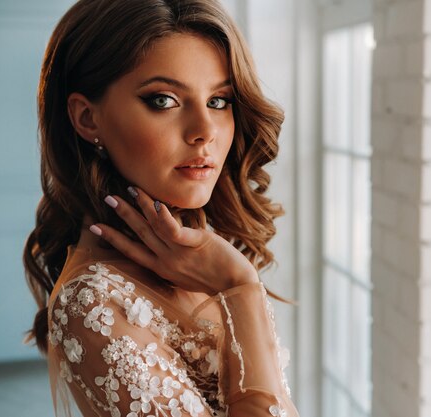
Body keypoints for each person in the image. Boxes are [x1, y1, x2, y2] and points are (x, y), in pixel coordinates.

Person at [22, 0, 299, 416]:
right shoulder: (93, 304)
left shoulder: (195, 253)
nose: (205, 132)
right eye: (164, 100)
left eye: (219, 101)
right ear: (86, 118)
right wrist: (240, 287)